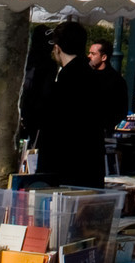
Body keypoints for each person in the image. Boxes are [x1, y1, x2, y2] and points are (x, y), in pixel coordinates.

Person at [24, 20, 109, 188]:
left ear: (57, 47)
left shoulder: (65, 79)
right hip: (90, 163)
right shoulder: (93, 76)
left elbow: (47, 121)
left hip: (65, 167)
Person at [86, 36, 132, 127]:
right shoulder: (86, 75)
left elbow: (121, 110)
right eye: (89, 53)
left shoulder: (116, 80)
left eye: (93, 54)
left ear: (104, 57)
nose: (89, 56)